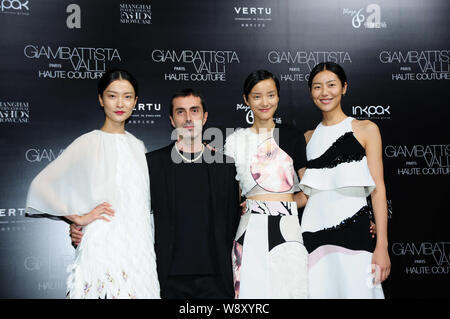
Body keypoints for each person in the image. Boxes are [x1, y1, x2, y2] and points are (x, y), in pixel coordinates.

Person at [72, 88, 240, 299]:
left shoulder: (226, 166)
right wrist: (84, 225)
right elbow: (126, 208)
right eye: (180, 112)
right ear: (172, 120)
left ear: (204, 117)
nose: (188, 118)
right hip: (167, 280)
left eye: (194, 110)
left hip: (217, 279)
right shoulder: (152, 164)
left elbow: (237, 220)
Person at [26, 69, 160, 299]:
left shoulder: (139, 147)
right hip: (101, 248)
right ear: (100, 99)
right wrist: (77, 217)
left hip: (139, 249)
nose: (120, 103)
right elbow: (41, 185)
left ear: (135, 102)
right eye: (112, 95)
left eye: (127, 96)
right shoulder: (88, 142)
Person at [299, 62, 390, 298]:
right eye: (317, 87)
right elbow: (303, 196)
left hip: (355, 234)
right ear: (311, 92)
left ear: (344, 88)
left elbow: (378, 190)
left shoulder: (366, 129)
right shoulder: (307, 139)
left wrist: (382, 245)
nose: (324, 92)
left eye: (331, 85)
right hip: (312, 235)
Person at [224, 70, 309, 299]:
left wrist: (286, 205)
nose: (265, 102)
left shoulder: (291, 136)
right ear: (246, 99)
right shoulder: (235, 141)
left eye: (270, 95)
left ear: (278, 97)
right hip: (249, 228)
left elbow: (308, 190)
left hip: (288, 228)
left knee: (291, 291)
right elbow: (231, 194)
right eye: (257, 96)